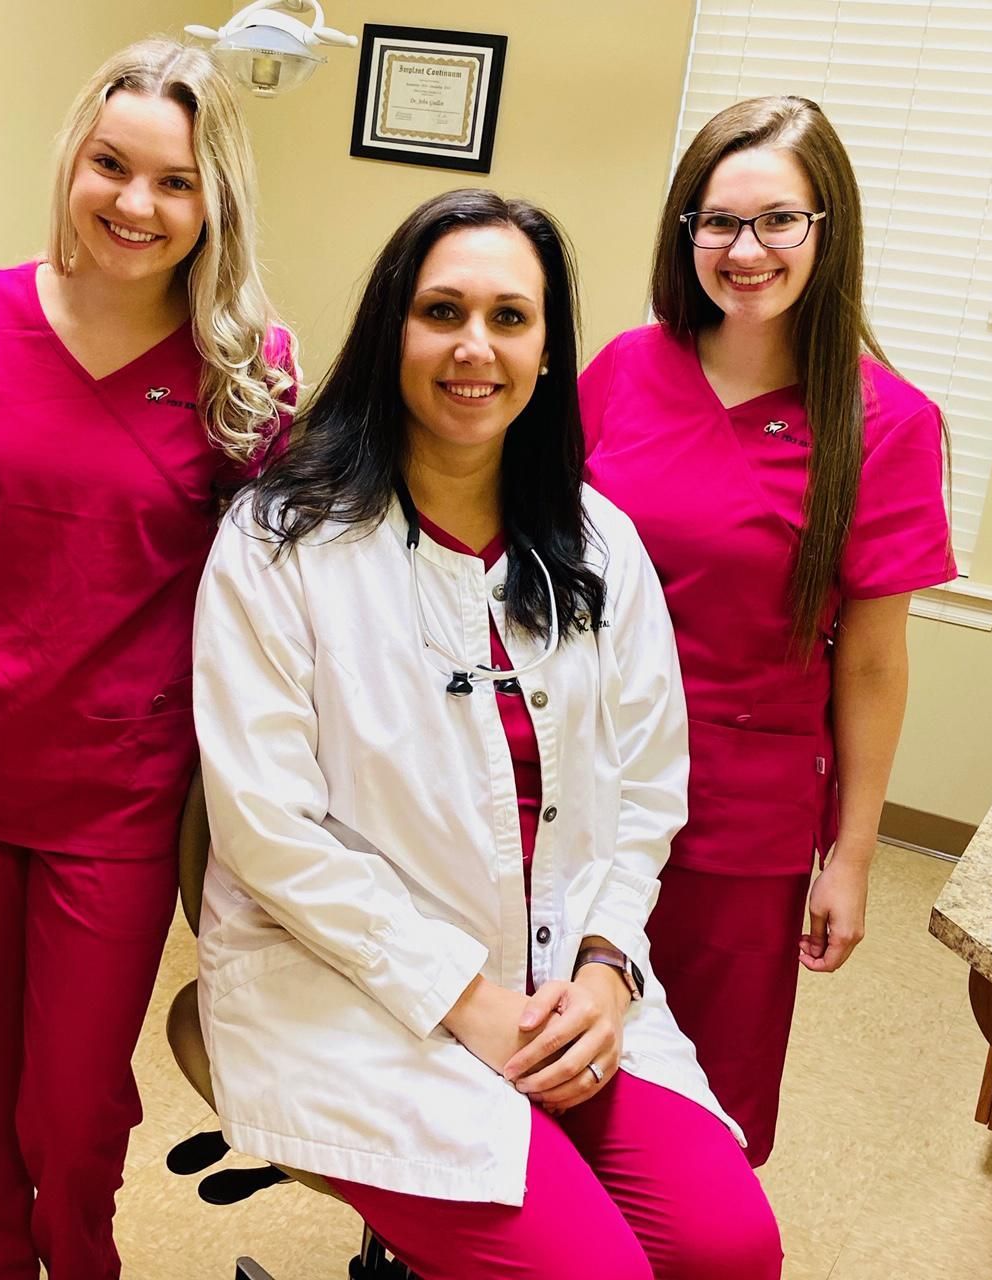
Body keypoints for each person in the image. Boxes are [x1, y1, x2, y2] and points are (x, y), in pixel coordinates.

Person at [192, 189, 783, 1280]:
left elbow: (648, 788)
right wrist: (463, 996)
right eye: (442, 311)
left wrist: (606, 970)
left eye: (511, 317)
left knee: (727, 1252)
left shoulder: (598, 543)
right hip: (354, 992)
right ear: (392, 330)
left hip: (561, 983)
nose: (475, 347)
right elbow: (267, 826)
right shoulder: (281, 541)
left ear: (549, 348)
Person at [0, 38, 293, 1280]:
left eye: (175, 182)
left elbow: (289, 591)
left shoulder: (243, 371)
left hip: (119, 787)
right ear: (74, 163)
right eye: (112, 165)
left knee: (75, 1107)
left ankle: (75, 1257)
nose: (136, 205)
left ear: (214, 204)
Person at [578, 95, 955, 1167]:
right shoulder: (622, 370)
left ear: (826, 230)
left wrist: (852, 853)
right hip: (578, 775)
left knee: (697, 1102)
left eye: (777, 220)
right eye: (716, 220)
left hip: (740, 808)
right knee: (555, 1057)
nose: (743, 250)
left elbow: (875, 663)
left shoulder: (884, 422)